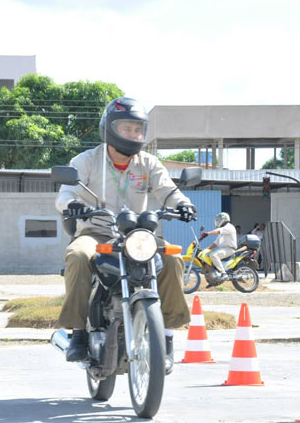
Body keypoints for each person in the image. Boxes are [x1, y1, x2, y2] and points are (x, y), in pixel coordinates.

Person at [55, 96, 197, 374]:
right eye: (126, 129)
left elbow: (168, 191)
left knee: (172, 258)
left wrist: (182, 205)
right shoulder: (86, 160)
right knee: (78, 255)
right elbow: (66, 193)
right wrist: (73, 206)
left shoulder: (149, 163)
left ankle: (165, 337)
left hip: (138, 234)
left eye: (138, 129)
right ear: (110, 129)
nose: (133, 135)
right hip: (95, 231)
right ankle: (78, 332)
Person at [201, 212, 238, 279]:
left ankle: (223, 274)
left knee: (213, 255)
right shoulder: (222, 232)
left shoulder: (229, 227)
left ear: (223, 219)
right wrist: (205, 250)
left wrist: (207, 233)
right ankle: (213, 278)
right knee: (209, 256)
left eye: (218, 220)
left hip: (229, 249)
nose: (217, 222)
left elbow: (218, 231)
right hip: (223, 249)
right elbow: (215, 244)